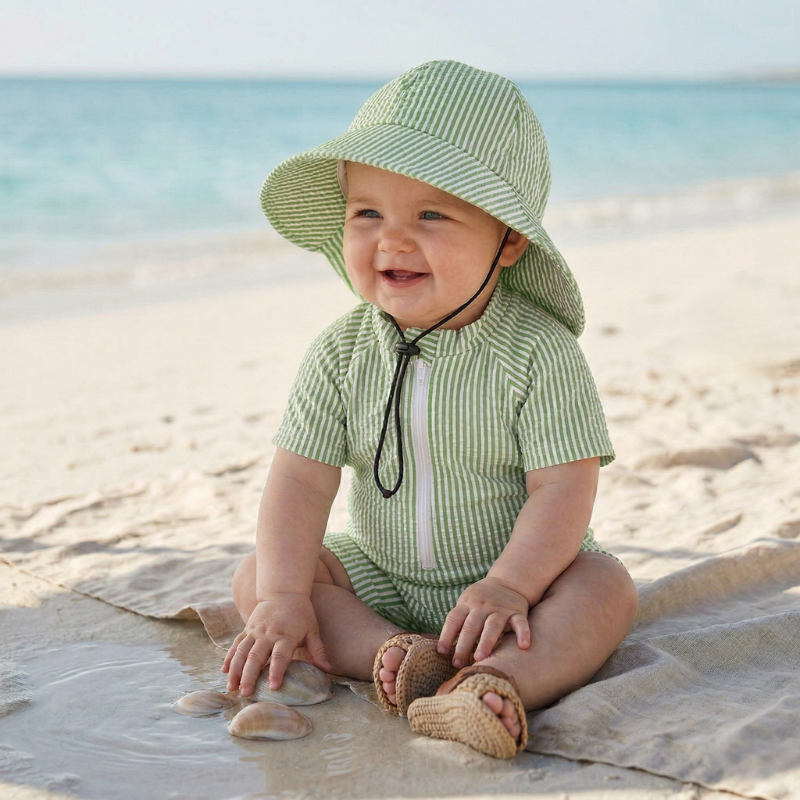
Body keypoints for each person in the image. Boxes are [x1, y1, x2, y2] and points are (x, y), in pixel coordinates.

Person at [222, 60, 638, 759]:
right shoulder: (341, 352)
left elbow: (565, 486)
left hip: (521, 591)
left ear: (508, 239)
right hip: (381, 577)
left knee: (606, 588)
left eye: (431, 214)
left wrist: (509, 585)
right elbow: (300, 479)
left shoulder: (538, 352)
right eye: (368, 213)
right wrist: (285, 596)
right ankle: (398, 657)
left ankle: (494, 683)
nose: (392, 239)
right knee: (262, 576)